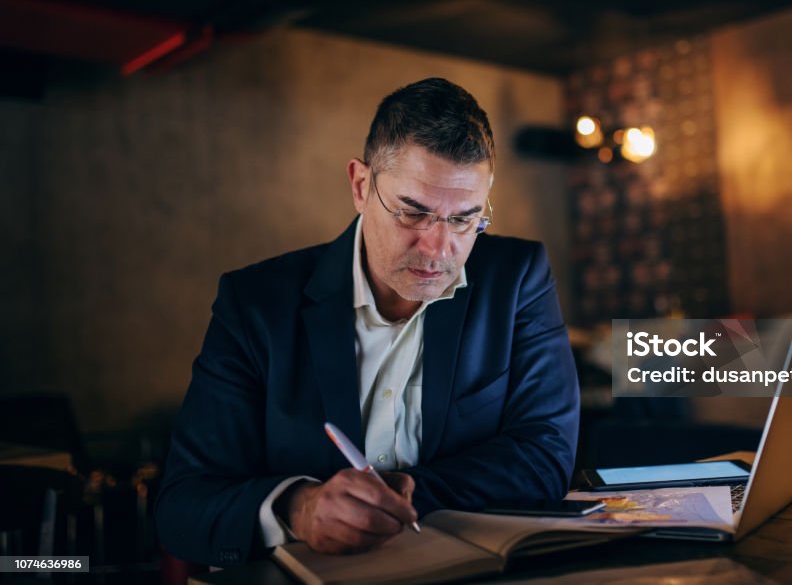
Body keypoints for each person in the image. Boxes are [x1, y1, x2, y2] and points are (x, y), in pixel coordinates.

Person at [155, 78, 580, 566]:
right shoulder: (255, 303)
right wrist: (299, 507)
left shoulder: (517, 277)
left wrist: (405, 494)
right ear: (361, 185)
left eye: (464, 220)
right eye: (412, 213)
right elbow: (183, 506)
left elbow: (545, 458)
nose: (439, 250)